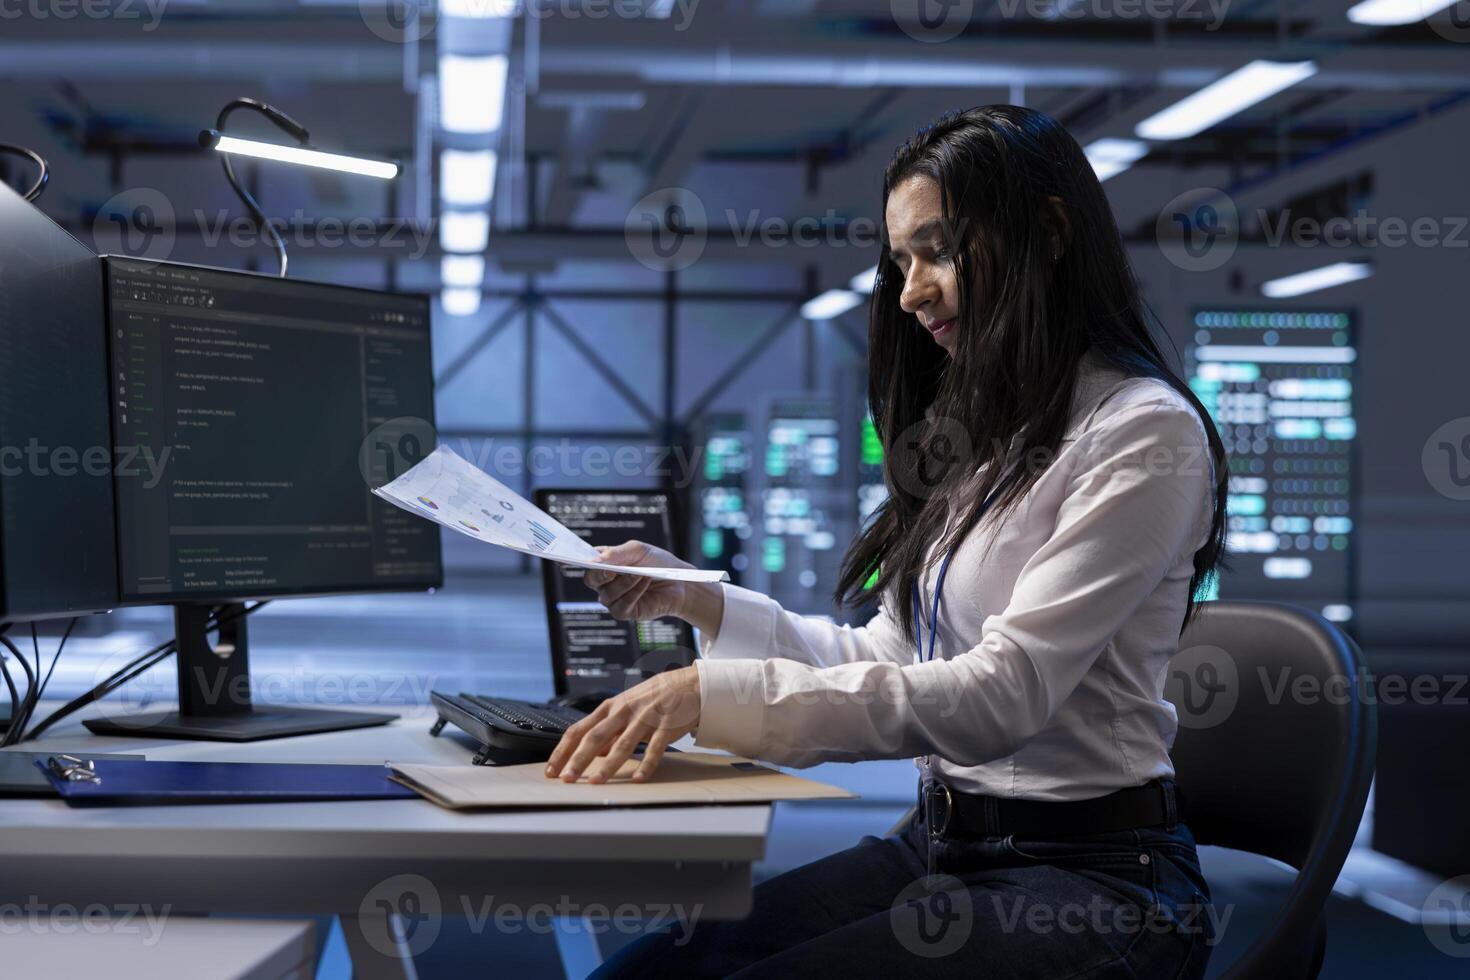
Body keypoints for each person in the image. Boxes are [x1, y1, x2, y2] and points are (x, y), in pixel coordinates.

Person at [544, 104, 1229, 978]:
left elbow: (999, 697)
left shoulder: (1143, 433)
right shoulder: (986, 437)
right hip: (944, 855)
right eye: (902, 260)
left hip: (1098, 883)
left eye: (939, 250)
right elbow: (894, 653)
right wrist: (702, 601)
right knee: (648, 971)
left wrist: (715, 696)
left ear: (1049, 234)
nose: (910, 291)